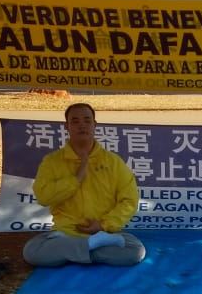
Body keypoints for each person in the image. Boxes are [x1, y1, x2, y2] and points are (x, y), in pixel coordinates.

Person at [23, 103, 146, 268]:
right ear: (66, 126)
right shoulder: (52, 161)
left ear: (95, 124)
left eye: (87, 120)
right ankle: (91, 247)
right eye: (75, 121)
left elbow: (129, 200)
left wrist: (103, 225)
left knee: (135, 251)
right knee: (32, 252)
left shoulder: (113, 161)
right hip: (66, 233)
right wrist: (77, 178)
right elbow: (44, 197)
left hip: (103, 232)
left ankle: (76, 251)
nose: (82, 125)